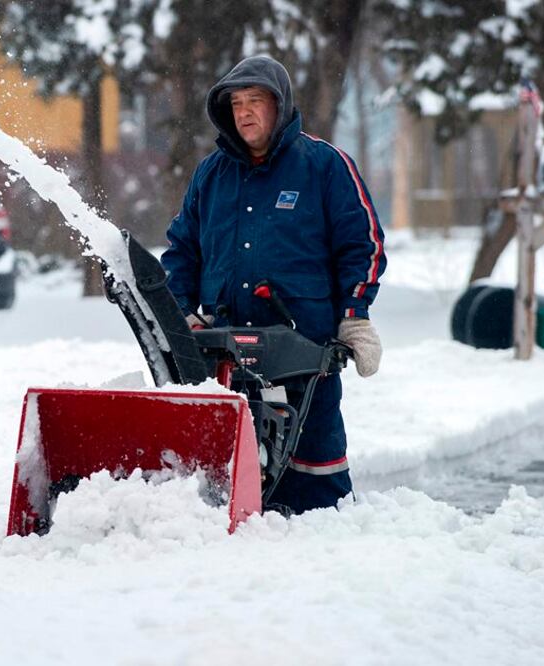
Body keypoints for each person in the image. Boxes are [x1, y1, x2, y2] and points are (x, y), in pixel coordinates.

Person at [161, 54, 386, 515]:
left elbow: (362, 244)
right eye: (237, 103)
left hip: (306, 347)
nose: (244, 112)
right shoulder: (212, 175)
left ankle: (326, 535)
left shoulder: (323, 165)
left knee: (314, 461)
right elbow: (182, 251)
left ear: (279, 106)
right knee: (233, 463)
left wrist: (354, 316)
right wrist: (180, 311)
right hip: (225, 350)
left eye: (255, 101)